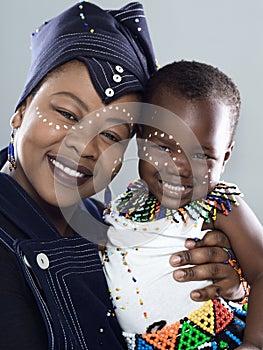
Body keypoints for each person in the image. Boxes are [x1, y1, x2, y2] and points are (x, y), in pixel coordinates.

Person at [0, 2, 247, 349]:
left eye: (112, 135)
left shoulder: (114, 225)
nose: (84, 146)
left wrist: (226, 292)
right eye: (68, 113)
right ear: (21, 110)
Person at [103, 61, 263, 349]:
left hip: (215, 338)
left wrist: (254, 343)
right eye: (163, 147)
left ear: (225, 158)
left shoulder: (220, 205)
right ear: (140, 139)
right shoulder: (126, 205)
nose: (179, 167)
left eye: (201, 156)